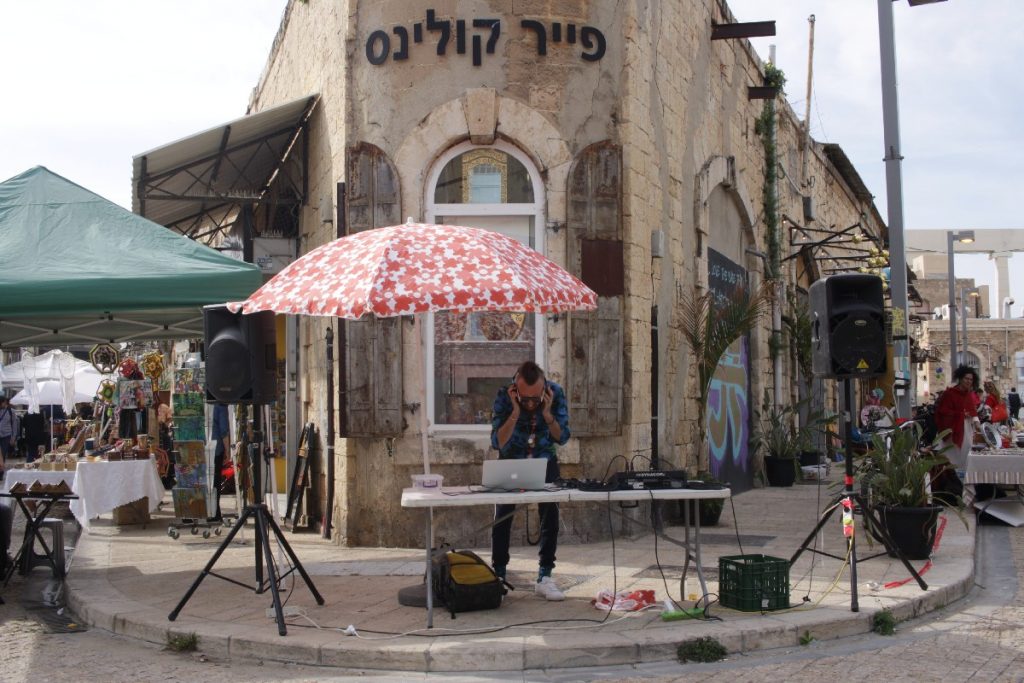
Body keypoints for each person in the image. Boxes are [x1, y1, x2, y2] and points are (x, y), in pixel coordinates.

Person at [489, 361, 571, 601]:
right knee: (502, 517)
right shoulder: (504, 396)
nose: (531, 404)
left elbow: (563, 437)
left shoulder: (555, 393)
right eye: (526, 399)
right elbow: (497, 442)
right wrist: (515, 412)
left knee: (550, 517)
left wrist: (546, 414)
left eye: (535, 398)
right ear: (516, 389)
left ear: (544, 388)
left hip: (545, 460)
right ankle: (499, 575)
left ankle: (545, 576)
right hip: (511, 460)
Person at [934, 365, 980, 471]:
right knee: (952, 457)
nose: (969, 381)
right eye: (966, 378)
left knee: (966, 454)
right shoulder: (949, 394)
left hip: (967, 430)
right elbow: (943, 412)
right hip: (952, 431)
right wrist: (961, 415)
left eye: (971, 379)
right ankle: (952, 481)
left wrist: (976, 422)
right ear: (960, 379)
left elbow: (972, 410)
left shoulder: (968, 394)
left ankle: (964, 480)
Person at [211, 403, 230, 520]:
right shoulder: (220, 405)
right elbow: (224, 431)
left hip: (200, 447)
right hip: (216, 448)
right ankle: (214, 512)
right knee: (215, 481)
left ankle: (202, 510)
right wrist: (227, 450)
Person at [0, 397, 19, 470]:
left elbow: (14, 425)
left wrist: (13, 437)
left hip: (6, 436)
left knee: (3, 454)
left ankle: (1, 472)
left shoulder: (11, 412)